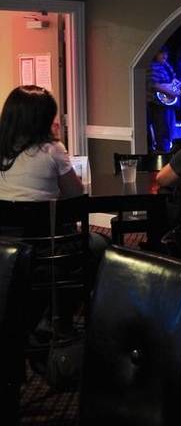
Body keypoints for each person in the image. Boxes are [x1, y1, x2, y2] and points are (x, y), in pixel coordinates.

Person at [0, 85, 106, 336]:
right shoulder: (52, 151)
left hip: (5, 249)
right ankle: (62, 317)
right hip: (47, 248)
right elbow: (76, 195)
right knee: (100, 245)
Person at [147, 45, 177, 152]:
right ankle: (162, 153)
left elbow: (171, 82)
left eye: (166, 53)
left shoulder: (166, 66)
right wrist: (169, 92)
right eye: (162, 53)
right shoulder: (151, 66)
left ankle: (167, 150)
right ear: (156, 53)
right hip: (156, 104)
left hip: (167, 104)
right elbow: (152, 84)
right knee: (161, 131)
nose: (165, 56)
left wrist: (175, 85)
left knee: (169, 130)